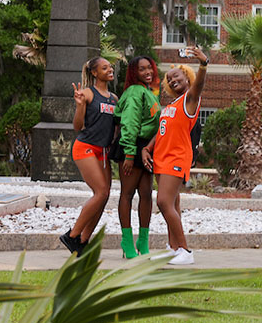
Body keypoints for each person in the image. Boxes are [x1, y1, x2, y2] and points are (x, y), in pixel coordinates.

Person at [141, 47, 208, 265]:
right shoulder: (172, 105)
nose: (172, 80)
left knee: (163, 202)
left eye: (176, 76)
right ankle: (173, 248)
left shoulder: (190, 99)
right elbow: (163, 130)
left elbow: (199, 85)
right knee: (173, 204)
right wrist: (147, 148)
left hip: (176, 158)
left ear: (187, 78)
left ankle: (186, 251)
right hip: (161, 158)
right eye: (169, 79)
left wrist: (203, 64)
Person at [59, 57, 118, 255]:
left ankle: (83, 241)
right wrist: (79, 106)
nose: (110, 70)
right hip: (86, 147)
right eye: (104, 68)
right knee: (100, 192)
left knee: (104, 196)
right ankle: (72, 235)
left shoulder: (114, 98)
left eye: (110, 67)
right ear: (94, 72)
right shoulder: (87, 93)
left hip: (103, 151)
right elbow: (78, 126)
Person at [113, 56, 161, 258]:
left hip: (146, 148)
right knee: (127, 194)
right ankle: (126, 241)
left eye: (149, 67)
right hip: (132, 146)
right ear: (134, 72)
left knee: (147, 194)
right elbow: (130, 123)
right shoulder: (134, 91)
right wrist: (130, 153)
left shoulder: (149, 92)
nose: (148, 72)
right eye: (142, 69)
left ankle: (143, 240)